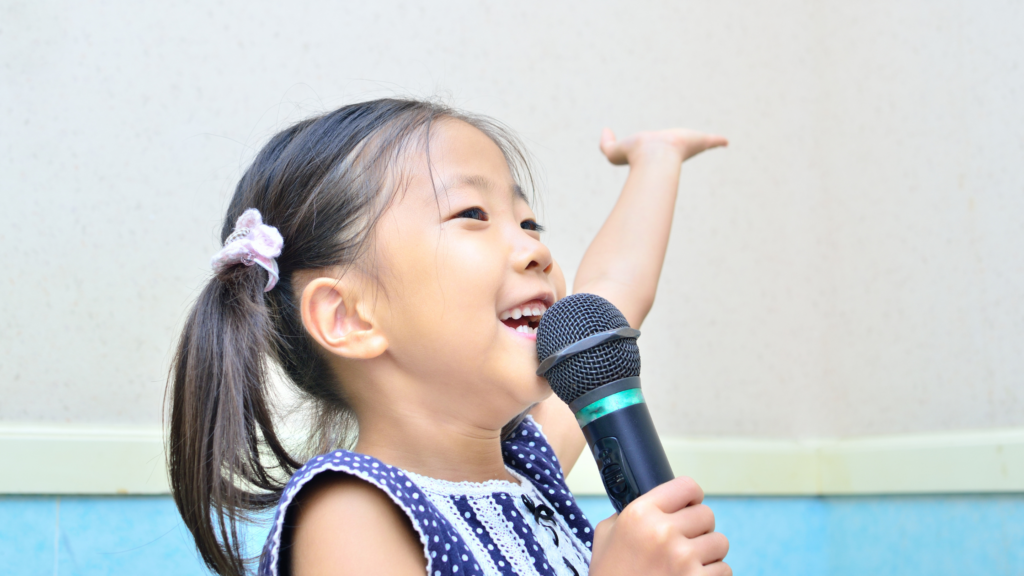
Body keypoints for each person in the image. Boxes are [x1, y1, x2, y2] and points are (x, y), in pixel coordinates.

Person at [167, 98, 730, 576]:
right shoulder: (350, 511)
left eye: (529, 223)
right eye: (472, 214)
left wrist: (657, 162)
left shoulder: (529, 469)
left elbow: (614, 291)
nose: (537, 250)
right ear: (348, 317)